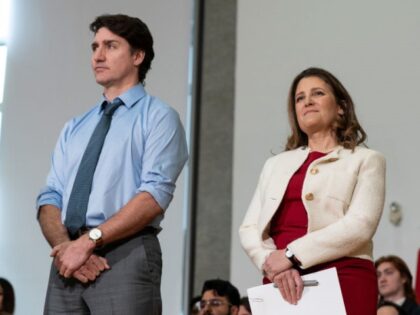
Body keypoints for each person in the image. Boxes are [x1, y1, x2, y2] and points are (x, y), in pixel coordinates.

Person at [36, 14, 188, 314]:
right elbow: (50, 196)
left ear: (138, 55)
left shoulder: (159, 117)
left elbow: (154, 196)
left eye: (110, 46)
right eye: (94, 47)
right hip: (67, 261)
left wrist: (90, 241)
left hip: (125, 255)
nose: (98, 56)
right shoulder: (75, 127)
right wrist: (68, 247)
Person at [239, 67, 386, 315]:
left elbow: (361, 225)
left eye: (317, 93)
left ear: (340, 107)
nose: (307, 101)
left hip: (344, 275)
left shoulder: (366, 159)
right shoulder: (274, 164)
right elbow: (249, 228)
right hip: (281, 280)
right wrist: (272, 263)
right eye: (300, 98)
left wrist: (292, 255)